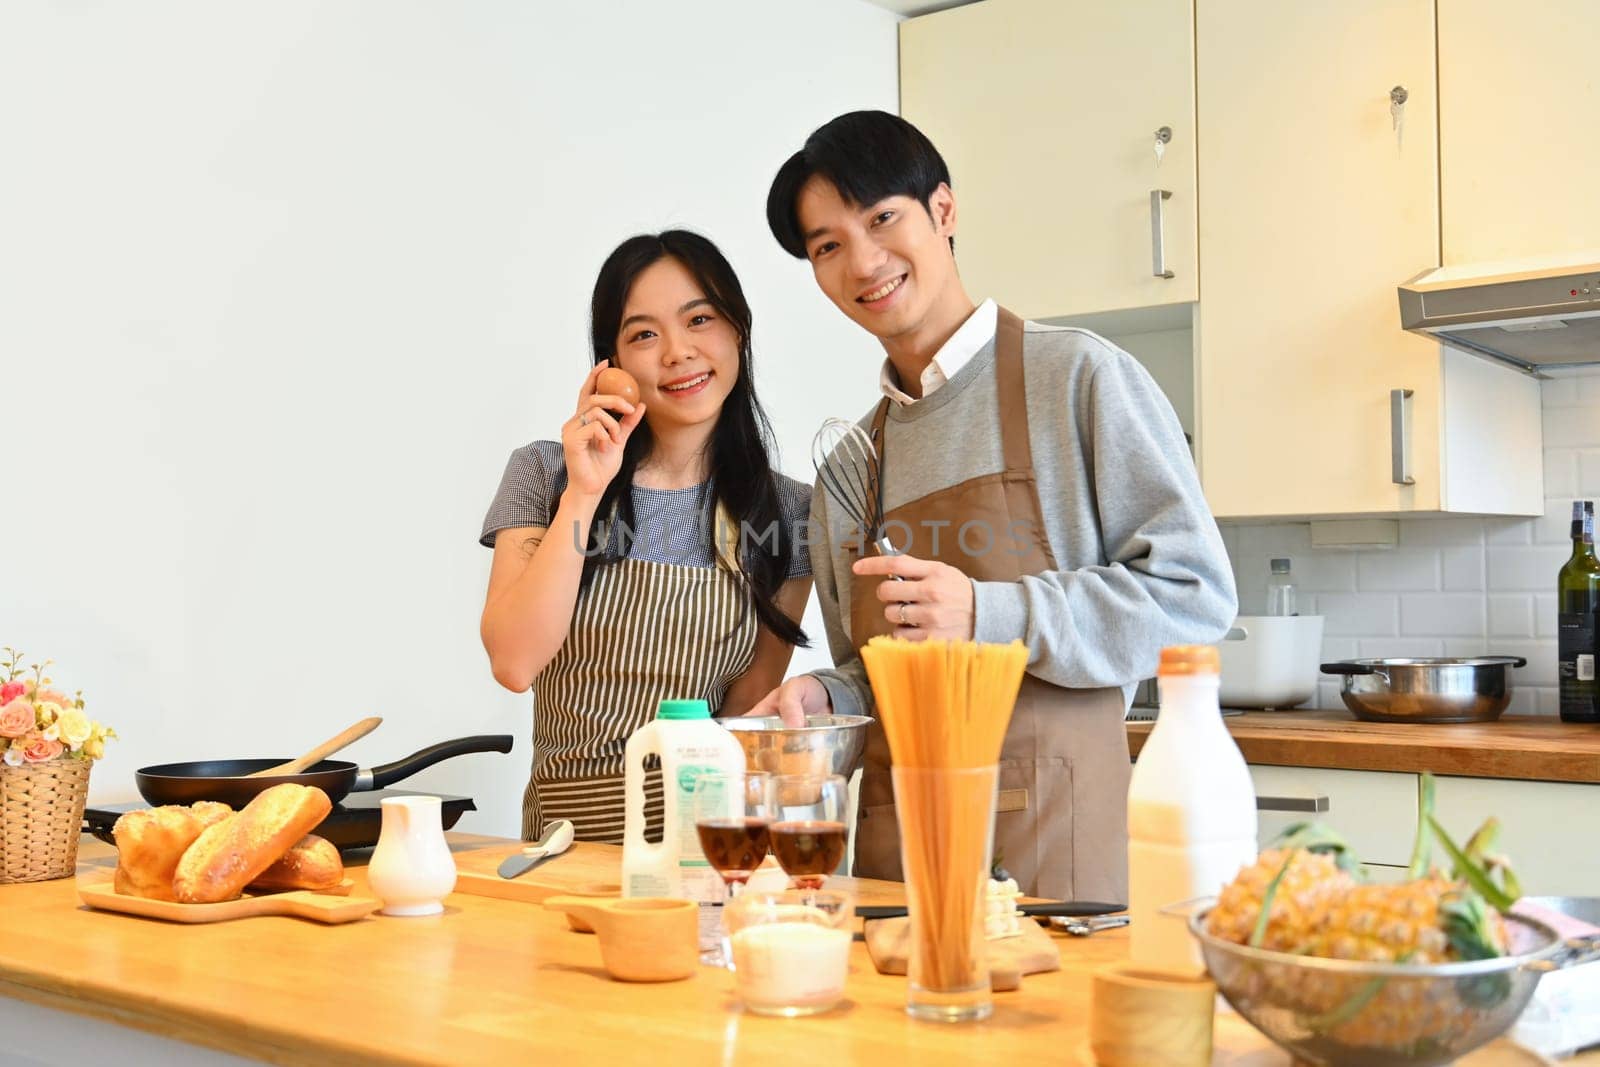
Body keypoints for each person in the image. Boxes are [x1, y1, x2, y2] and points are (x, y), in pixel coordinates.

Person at [750, 111, 1237, 902]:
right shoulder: (847, 468)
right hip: (896, 870)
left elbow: (1197, 599)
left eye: (882, 219)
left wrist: (987, 611)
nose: (863, 261)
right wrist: (826, 696)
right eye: (828, 246)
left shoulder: (1078, 380)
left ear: (943, 212)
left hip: (1057, 864)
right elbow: (876, 676)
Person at [479, 230, 812, 844]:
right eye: (644, 334)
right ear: (612, 365)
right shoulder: (545, 473)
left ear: (737, 330)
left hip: (699, 843)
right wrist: (585, 488)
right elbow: (513, 661)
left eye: (700, 319)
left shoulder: (789, 509)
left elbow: (746, 718)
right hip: (565, 848)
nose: (678, 352)